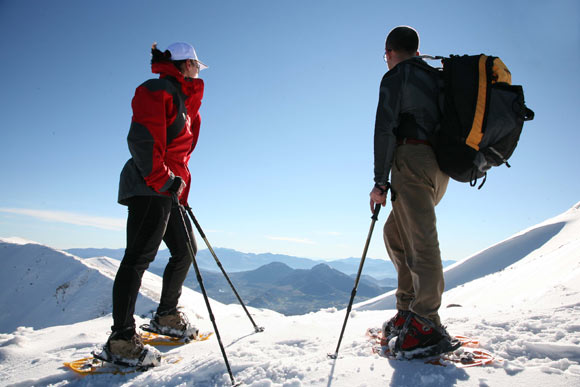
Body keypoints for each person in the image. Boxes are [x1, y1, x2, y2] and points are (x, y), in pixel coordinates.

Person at [103, 41, 208, 365]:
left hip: (169, 187)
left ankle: (165, 315)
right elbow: (142, 138)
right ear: (185, 64)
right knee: (137, 258)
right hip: (150, 184)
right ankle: (121, 339)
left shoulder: (185, 102)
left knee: (185, 249)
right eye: (195, 64)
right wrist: (162, 178)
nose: (198, 70)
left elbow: (179, 153)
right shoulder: (157, 90)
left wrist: (176, 187)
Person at [369, 26, 459, 358]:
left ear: (389, 53)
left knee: (421, 241)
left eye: (385, 56)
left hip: (412, 159)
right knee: (396, 233)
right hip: (439, 167)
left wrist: (380, 181)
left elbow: (385, 128)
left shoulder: (396, 76)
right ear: (417, 51)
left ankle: (426, 323)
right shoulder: (436, 77)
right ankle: (408, 310)